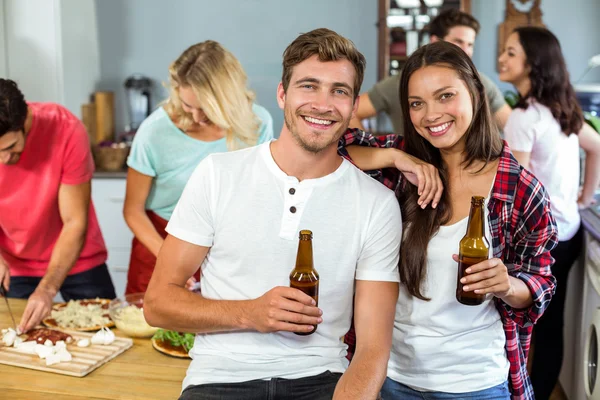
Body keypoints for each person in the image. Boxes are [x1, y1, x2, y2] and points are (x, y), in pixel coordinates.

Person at [143, 28, 441, 399]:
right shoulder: (218, 174)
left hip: (322, 380)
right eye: (309, 86)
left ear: (353, 106)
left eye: (339, 91)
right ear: (282, 94)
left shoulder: (377, 205)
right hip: (220, 379)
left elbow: (372, 349)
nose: (323, 103)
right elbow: (157, 305)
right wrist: (249, 313)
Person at [338, 41, 558, 399]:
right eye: (416, 103)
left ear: (474, 91)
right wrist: (396, 157)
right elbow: (333, 146)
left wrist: (506, 285)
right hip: (392, 378)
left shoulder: (520, 190)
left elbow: (540, 285)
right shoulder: (402, 170)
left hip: (476, 384)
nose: (430, 115)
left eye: (445, 96)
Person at [123, 40, 274, 295]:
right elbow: (133, 210)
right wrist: (170, 259)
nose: (195, 117)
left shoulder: (258, 123)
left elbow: (260, 196)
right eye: (187, 105)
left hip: (227, 246)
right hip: (162, 241)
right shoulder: (154, 132)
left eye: (205, 109)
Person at [498, 26, 600, 399]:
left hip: (542, 241)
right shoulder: (563, 110)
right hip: (569, 232)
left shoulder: (524, 117)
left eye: (511, 52)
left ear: (533, 62)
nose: (502, 59)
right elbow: (598, 146)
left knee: (522, 325)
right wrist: (584, 199)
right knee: (550, 325)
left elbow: (513, 191)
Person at [0, 79, 116, 333]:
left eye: (10, 147)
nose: (4, 159)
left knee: (108, 337)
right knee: (19, 344)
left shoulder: (66, 129)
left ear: (25, 120)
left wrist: (47, 289)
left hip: (79, 259)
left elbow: (75, 222)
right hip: (17, 265)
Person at [349, 8, 512, 133]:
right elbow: (351, 113)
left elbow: (513, 128)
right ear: (435, 41)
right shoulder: (397, 84)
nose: (466, 51)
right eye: (458, 42)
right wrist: (375, 153)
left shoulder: (481, 82)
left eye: (470, 44)